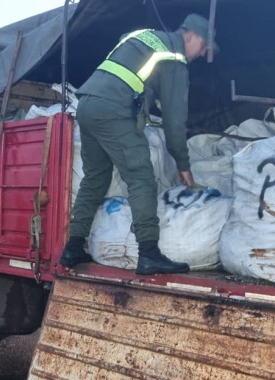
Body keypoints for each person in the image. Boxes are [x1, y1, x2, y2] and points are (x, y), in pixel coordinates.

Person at [60, 13, 216, 275]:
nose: (202, 54)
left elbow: (130, 65)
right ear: (190, 36)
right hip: (113, 109)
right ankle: (149, 254)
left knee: (95, 178)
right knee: (141, 177)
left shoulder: (143, 36)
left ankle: (73, 247)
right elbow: (174, 120)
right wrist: (183, 166)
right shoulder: (175, 57)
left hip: (87, 103)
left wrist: (146, 97)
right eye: (203, 47)